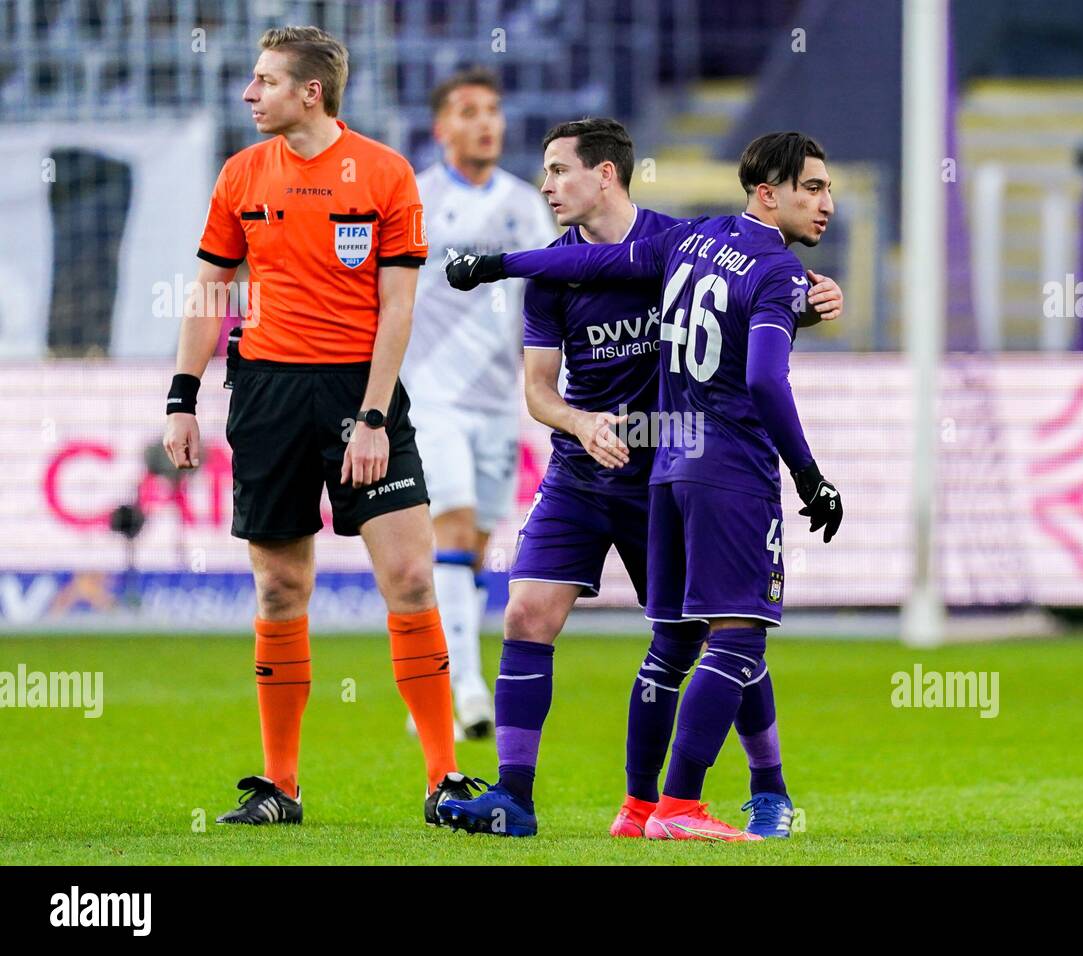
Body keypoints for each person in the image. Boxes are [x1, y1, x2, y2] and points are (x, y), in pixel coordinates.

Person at [441, 130, 844, 841]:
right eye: (544, 173)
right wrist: (578, 420)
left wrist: (801, 303)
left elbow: (741, 310)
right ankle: (525, 795)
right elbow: (538, 390)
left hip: (661, 470)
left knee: (709, 635)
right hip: (593, 470)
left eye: (559, 171)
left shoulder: (677, 242)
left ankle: (764, 788)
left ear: (605, 175)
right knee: (533, 615)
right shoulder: (556, 274)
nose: (546, 185)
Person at [162, 25, 478, 826]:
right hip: (267, 394)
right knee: (279, 586)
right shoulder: (241, 175)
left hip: (359, 394)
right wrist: (181, 397)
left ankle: (444, 781)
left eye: (264, 80)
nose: (248, 93)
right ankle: (280, 787)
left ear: (311, 92)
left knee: (409, 578)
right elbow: (210, 291)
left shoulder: (382, 174)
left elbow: (397, 305)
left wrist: (373, 415)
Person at [402, 67, 557, 739]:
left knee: (476, 545)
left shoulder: (527, 205)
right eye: (467, 111)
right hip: (429, 397)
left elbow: (553, 292)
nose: (485, 122)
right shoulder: (415, 198)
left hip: (499, 398)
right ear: (443, 127)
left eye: (492, 110)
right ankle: (465, 688)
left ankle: (437, 680)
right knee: (454, 526)